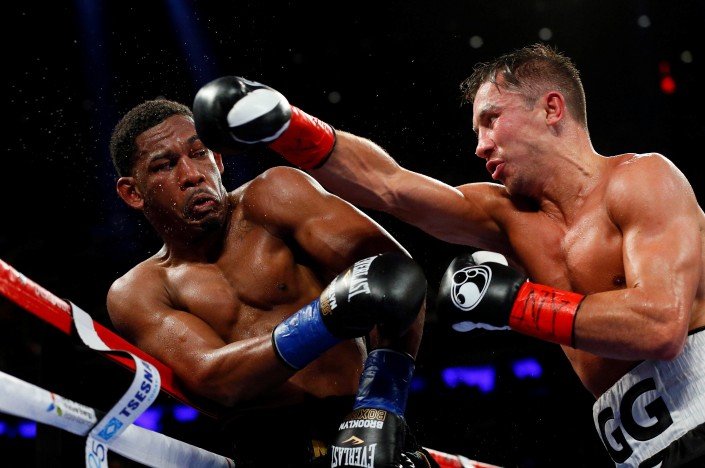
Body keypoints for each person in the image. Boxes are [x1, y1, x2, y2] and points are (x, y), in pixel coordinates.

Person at [191, 43, 705, 467]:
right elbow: (389, 185)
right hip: (643, 453)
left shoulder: (641, 180)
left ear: (551, 109)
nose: (480, 145)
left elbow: (659, 325)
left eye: (492, 120)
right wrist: (287, 126)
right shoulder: (506, 219)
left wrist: (515, 304)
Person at [106, 98, 441, 468]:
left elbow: (396, 278)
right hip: (268, 451)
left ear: (218, 159)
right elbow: (215, 380)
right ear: (132, 193)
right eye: (164, 165)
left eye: (199, 153)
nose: (191, 174)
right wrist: (326, 318)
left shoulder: (276, 196)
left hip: (361, 424)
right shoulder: (139, 291)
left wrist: (380, 407)